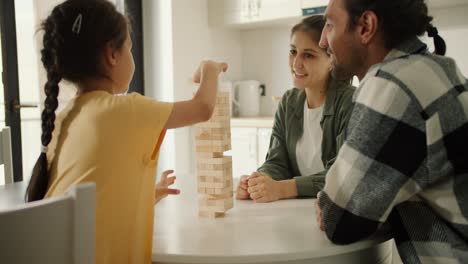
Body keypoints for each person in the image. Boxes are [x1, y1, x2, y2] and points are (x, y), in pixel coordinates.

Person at [25, 0, 227, 263]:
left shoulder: (65, 118)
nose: (132, 55)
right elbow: (202, 108)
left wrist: (145, 196)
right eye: (130, 48)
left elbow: (92, 197)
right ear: (112, 54)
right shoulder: (123, 110)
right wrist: (210, 68)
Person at [316, 0, 468, 263]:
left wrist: (329, 202)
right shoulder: (440, 67)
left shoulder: (391, 86)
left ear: (366, 26)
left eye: (330, 25)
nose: (322, 41)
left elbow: (340, 221)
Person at [236, 15, 355, 203]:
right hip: (295, 211)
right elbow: (277, 162)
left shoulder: (351, 102)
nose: (296, 63)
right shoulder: (289, 102)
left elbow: (344, 175)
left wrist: (284, 188)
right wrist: (258, 181)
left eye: (308, 55)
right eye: (293, 51)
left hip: (332, 214)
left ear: (332, 60)